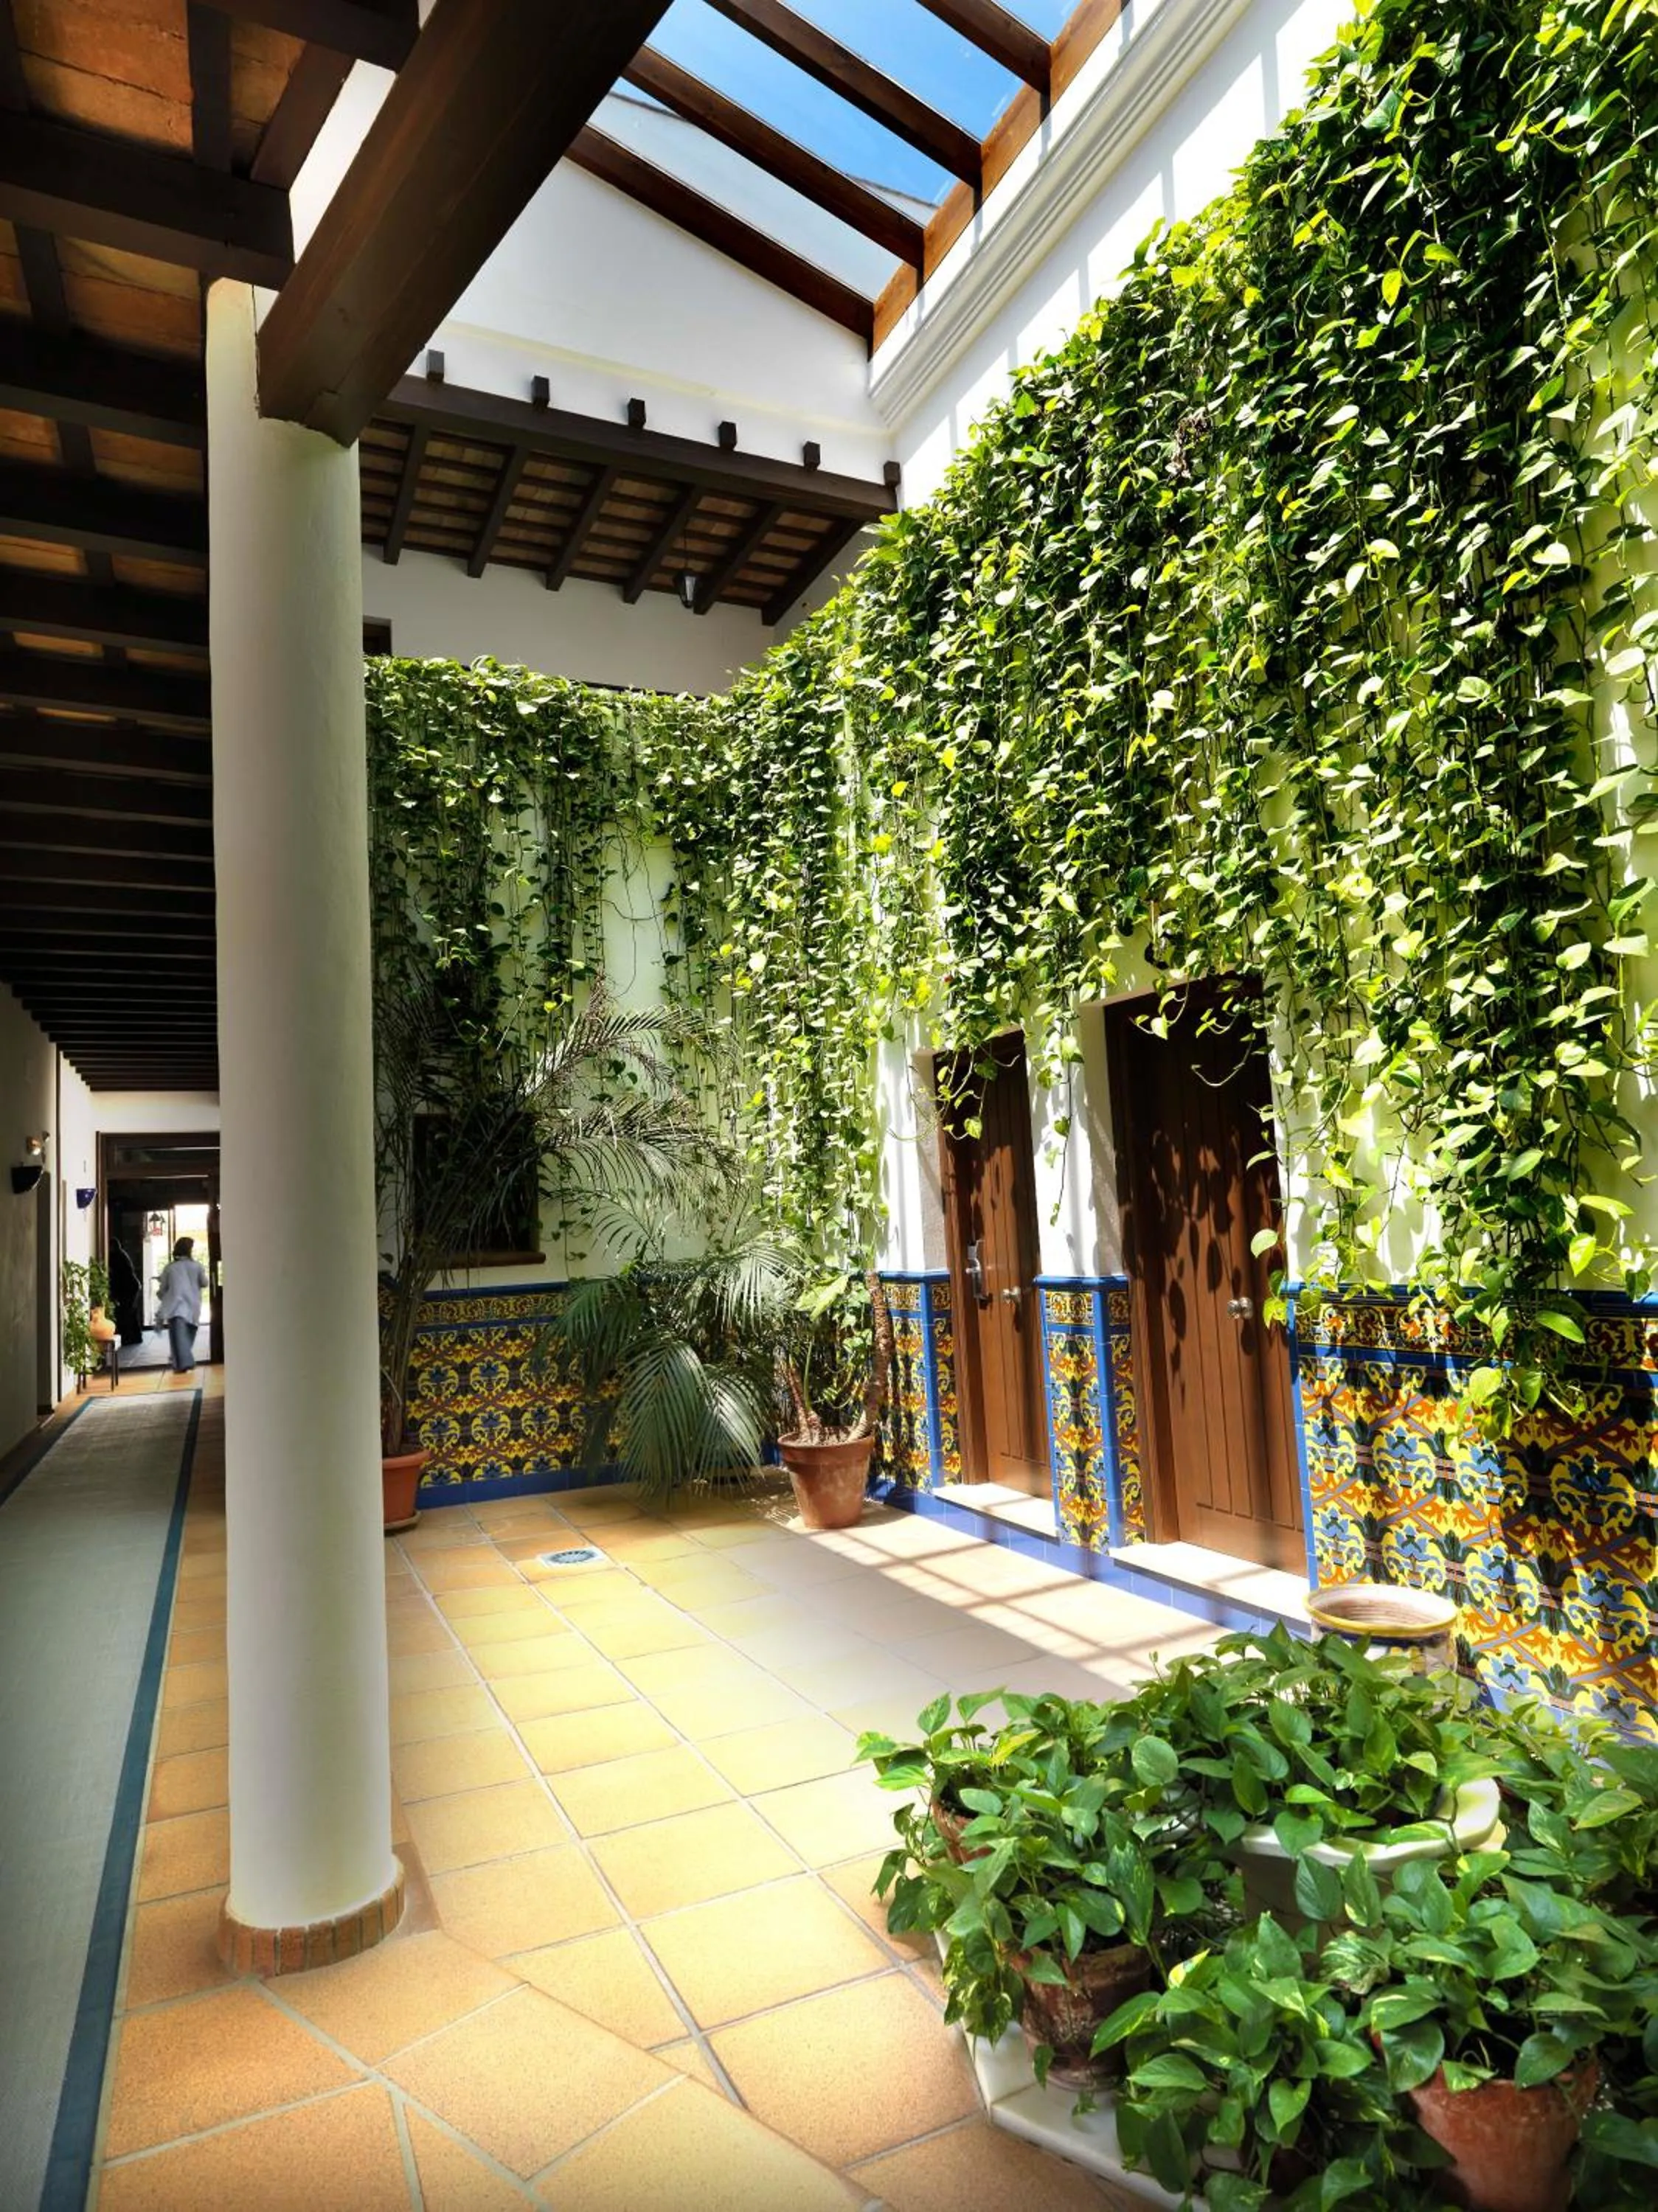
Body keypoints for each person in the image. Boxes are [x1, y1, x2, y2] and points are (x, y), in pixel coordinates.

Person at [156, 1237, 209, 1374]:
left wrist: (161, 1296)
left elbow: (163, 1290)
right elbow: (205, 1283)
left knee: (178, 1339)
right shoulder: (197, 1266)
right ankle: (181, 1363)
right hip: (193, 1308)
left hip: (176, 1308)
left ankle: (183, 1363)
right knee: (186, 1339)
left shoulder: (170, 1268)